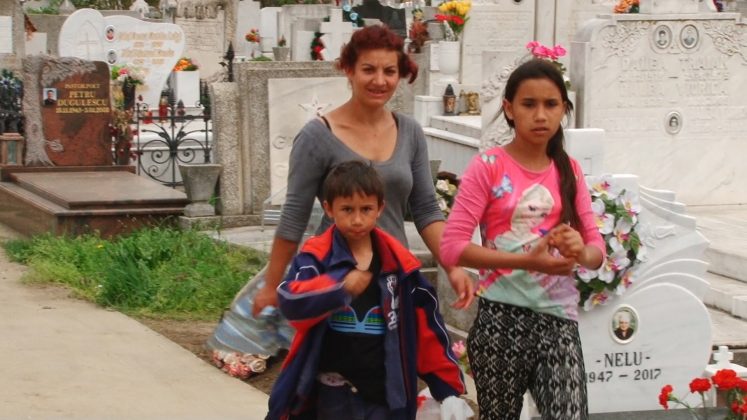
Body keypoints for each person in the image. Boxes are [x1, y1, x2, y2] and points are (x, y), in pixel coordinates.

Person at [252, 24, 471, 321]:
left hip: (393, 280)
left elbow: (426, 211)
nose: (379, 81)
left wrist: (453, 268)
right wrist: (271, 286)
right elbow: (294, 216)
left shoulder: (410, 132)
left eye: (389, 71)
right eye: (368, 69)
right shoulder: (317, 136)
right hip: (335, 282)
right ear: (349, 70)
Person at [439, 58, 606, 419]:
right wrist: (526, 261)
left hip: (558, 321)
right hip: (500, 320)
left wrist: (581, 251)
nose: (540, 115)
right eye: (529, 104)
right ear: (509, 109)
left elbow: (597, 250)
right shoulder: (488, 167)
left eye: (551, 104)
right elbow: (452, 247)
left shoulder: (569, 169)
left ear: (564, 109)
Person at [266, 161, 471, 420]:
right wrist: (337, 288)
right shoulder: (316, 259)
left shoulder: (400, 268)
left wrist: (447, 391)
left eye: (366, 209)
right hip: (331, 394)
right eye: (347, 209)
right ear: (329, 209)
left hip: (384, 395)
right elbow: (291, 300)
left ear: (380, 208)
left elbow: (427, 331)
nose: (357, 219)